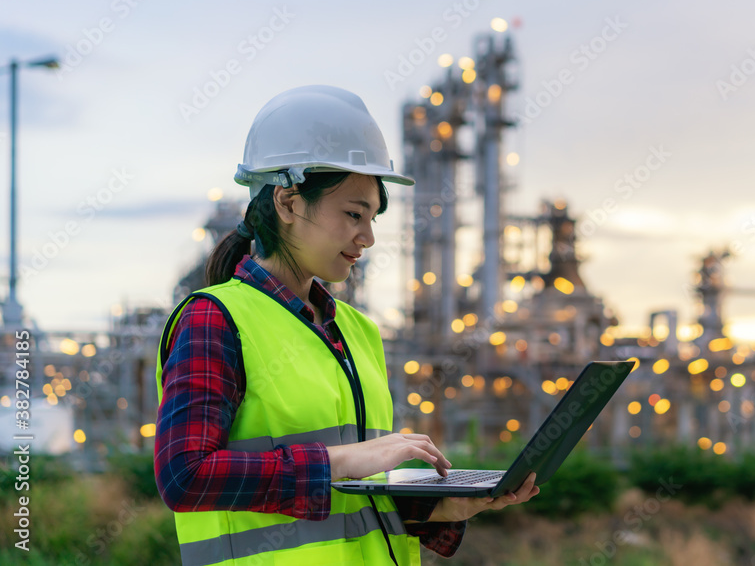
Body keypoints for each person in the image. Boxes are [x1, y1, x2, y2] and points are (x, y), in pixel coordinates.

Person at [154, 85, 539, 565]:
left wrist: (441, 508)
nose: (369, 237)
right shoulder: (216, 318)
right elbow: (185, 477)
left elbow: (353, 501)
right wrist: (345, 459)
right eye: (354, 214)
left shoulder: (359, 331)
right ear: (289, 202)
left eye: (373, 217)